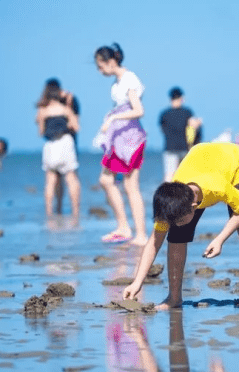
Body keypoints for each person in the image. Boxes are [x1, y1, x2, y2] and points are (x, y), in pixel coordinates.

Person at [122, 142, 239, 311]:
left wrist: (220, 239)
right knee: (176, 236)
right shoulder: (173, 199)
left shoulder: (216, 187)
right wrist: (137, 282)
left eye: (178, 221)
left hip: (237, 161)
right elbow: (154, 242)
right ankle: (174, 298)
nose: (174, 225)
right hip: (201, 158)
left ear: (194, 207)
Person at [93, 43, 147, 245]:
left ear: (111, 61)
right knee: (106, 180)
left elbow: (139, 110)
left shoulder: (129, 79)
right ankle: (124, 227)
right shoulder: (117, 82)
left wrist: (113, 119)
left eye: (100, 65)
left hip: (131, 138)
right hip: (119, 138)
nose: (100, 70)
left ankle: (140, 235)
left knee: (131, 185)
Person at [35, 78, 81, 219]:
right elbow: (76, 127)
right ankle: (75, 213)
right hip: (65, 142)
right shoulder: (65, 109)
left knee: (50, 181)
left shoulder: (42, 110)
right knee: (71, 178)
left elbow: (41, 132)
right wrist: (68, 106)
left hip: (50, 145)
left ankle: (50, 213)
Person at [159, 87, 199, 182]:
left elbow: (162, 129)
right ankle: (183, 196)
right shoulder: (187, 112)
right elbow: (193, 125)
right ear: (181, 98)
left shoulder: (164, 114)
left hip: (169, 147)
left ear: (170, 98)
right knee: (184, 175)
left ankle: (166, 195)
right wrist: (199, 123)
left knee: (169, 174)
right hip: (184, 147)